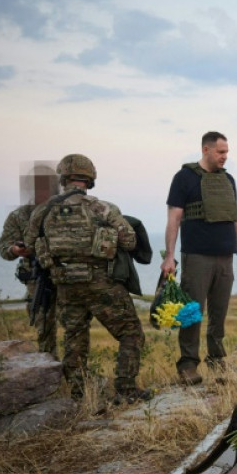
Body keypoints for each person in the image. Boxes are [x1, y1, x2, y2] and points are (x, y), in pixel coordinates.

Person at [24, 154, 150, 403]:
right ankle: (125, 390)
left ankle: (80, 394)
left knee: (75, 338)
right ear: (90, 179)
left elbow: (29, 245)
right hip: (101, 283)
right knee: (131, 333)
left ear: (63, 178)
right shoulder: (102, 207)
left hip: (65, 285)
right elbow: (130, 240)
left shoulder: (43, 211)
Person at [162, 131, 237, 385]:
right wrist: (169, 256)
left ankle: (217, 360)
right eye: (221, 152)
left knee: (219, 313)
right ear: (206, 150)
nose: (225, 157)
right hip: (196, 257)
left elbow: (236, 219)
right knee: (192, 312)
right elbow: (174, 219)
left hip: (225, 257)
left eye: (227, 152)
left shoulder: (228, 180)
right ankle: (188, 364)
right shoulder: (184, 178)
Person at [0, 163, 60, 357]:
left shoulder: (66, 210)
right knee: (43, 328)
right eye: (37, 186)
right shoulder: (19, 215)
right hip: (38, 278)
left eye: (45, 186)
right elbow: (3, 248)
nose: (42, 191)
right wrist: (15, 250)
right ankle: (49, 369)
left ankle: (77, 376)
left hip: (67, 275)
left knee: (76, 327)